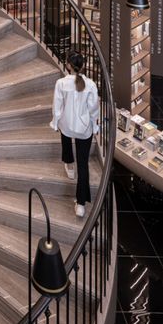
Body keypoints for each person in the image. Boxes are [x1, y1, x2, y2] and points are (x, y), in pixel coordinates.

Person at [50, 51, 100, 218]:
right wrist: (94, 126)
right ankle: (80, 204)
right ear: (83, 65)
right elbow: (94, 109)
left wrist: (55, 122)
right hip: (83, 129)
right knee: (84, 165)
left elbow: (57, 107)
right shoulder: (91, 85)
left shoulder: (61, 83)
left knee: (64, 135)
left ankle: (69, 165)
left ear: (68, 66)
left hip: (67, 125)